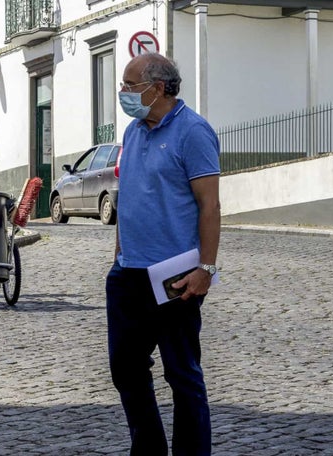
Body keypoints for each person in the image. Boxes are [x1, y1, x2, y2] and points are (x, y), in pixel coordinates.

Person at [106, 53, 220, 456]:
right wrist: (119, 252)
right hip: (128, 274)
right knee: (125, 368)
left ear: (157, 89)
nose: (122, 93)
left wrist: (205, 268)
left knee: (182, 373)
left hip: (175, 276)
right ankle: (149, 449)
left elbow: (209, 206)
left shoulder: (194, 132)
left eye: (129, 85)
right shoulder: (135, 131)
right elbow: (131, 194)